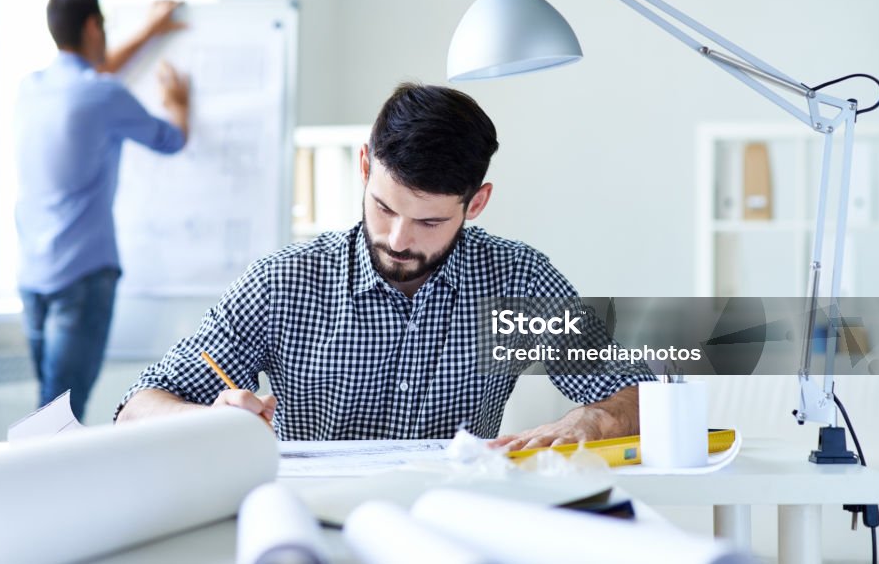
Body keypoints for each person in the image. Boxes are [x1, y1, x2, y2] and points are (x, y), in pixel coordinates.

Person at [115, 83, 654, 449]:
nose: (397, 240)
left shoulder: (518, 281)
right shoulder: (283, 282)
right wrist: (209, 421)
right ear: (365, 166)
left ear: (478, 203)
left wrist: (597, 416)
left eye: (429, 222)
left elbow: (638, 392)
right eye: (384, 207)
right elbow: (135, 408)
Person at [15, 0, 191, 421]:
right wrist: (178, 105)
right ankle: (54, 489)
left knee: (49, 408)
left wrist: (149, 32)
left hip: (33, 273)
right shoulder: (101, 94)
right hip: (83, 273)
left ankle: (44, 487)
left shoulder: (32, 88)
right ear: (93, 27)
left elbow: (98, 77)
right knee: (59, 414)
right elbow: (171, 139)